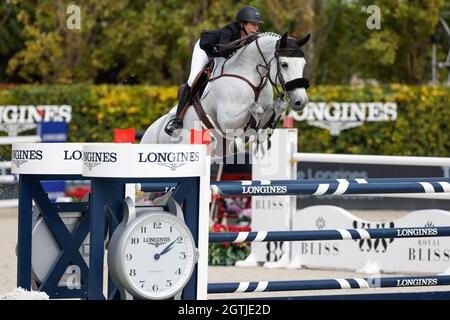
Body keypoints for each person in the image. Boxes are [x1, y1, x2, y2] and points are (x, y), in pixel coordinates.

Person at [164, 6, 263, 135]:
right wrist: (243, 43)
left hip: (220, 56)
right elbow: (223, 50)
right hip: (205, 51)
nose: (256, 28)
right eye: (253, 24)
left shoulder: (250, 36)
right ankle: (177, 120)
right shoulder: (229, 31)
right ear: (241, 24)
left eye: (257, 25)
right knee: (193, 78)